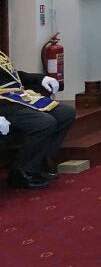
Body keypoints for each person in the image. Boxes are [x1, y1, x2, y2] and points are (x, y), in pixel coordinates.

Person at [0, 51, 74, 189]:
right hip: (3, 105)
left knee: (65, 113)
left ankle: (39, 163)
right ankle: (21, 171)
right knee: (44, 123)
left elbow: (13, 77)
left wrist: (40, 79)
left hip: (15, 97)